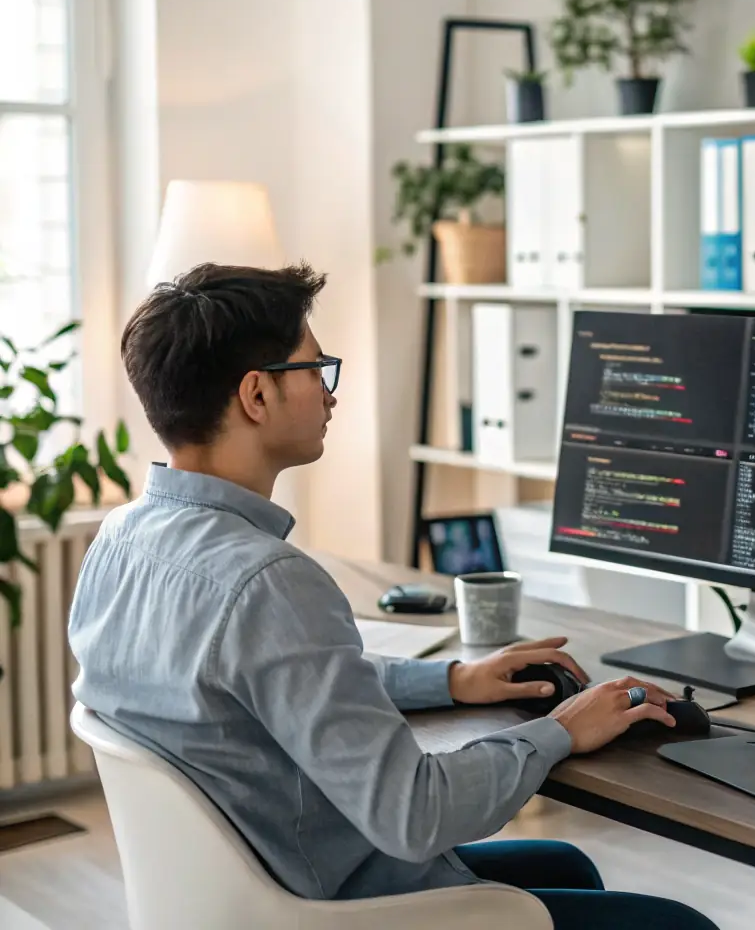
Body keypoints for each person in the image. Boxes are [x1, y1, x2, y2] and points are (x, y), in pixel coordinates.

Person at [68, 263, 718, 930]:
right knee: (680, 924)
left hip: (243, 892)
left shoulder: (120, 540)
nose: (330, 395)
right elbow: (415, 815)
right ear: (256, 395)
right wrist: (558, 730)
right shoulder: (267, 581)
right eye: (315, 370)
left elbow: (287, 680)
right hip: (333, 907)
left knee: (564, 868)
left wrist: (453, 680)